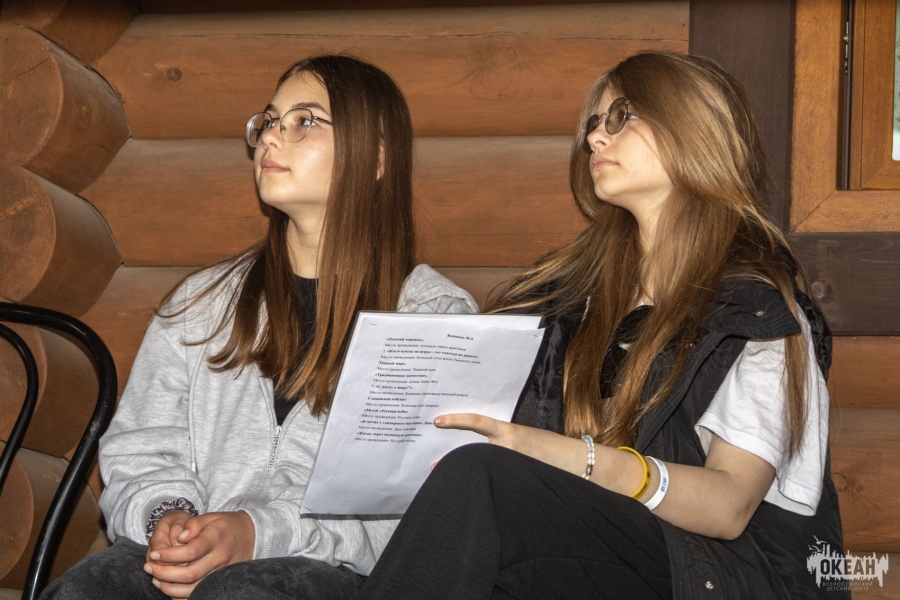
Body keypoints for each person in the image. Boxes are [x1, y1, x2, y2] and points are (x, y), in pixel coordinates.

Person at [355, 51, 846, 600]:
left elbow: (729, 506)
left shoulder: (760, 312)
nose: (594, 137)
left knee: (482, 477)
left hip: (712, 578)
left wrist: (566, 456)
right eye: (594, 122)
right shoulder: (561, 298)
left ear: (694, 129)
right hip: (591, 561)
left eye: (622, 117)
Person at [40, 55, 477, 600]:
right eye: (269, 120)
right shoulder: (201, 303)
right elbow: (141, 449)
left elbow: (410, 507)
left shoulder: (433, 320)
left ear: (376, 160)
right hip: (199, 552)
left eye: (304, 121)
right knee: (91, 587)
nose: (270, 137)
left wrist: (255, 532)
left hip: (344, 571)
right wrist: (168, 517)